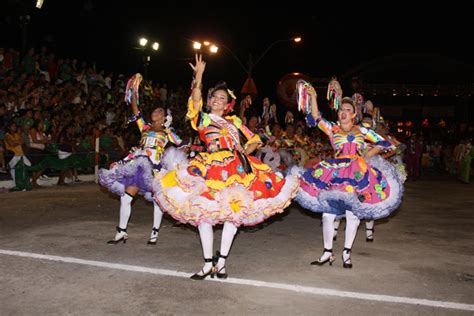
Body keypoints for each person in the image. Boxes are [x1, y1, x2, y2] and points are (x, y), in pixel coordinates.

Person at [153, 54, 299, 279]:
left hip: (236, 168)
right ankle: (207, 263)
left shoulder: (235, 122)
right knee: (203, 215)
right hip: (209, 166)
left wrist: (245, 151)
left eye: (221, 98)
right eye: (214, 97)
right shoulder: (202, 119)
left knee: (234, 215)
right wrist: (199, 76)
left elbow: (254, 140)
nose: (216, 100)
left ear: (228, 103)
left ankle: (221, 263)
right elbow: (195, 100)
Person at [295, 85, 403, 268]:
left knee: (353, 214)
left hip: (357, 172)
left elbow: (386, 143)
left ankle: (346, 253)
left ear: (354, 114)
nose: (344, 112)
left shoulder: (362, 130)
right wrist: (313, 97)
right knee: (328, 215)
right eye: (341, 109)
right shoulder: (333, 129)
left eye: (348, 110)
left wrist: (367, 156)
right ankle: (327, 252)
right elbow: (315, 117)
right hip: (335, 172)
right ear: (338, 113)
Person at [99, 73, 182, 245]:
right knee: (126, 197)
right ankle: (121, 232)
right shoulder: (144, 127)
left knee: (158, 201)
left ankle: (154, 232)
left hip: (155, 168)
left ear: (165, 117)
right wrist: (134, 89)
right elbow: (135, 110)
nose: (155, 112)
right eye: (154, 110)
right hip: (138, 164)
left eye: (159, 111)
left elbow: (181, 145)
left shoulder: (167, 132)